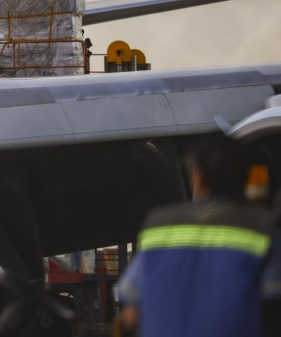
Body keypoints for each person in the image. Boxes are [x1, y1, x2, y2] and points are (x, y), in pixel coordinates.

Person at [116, 134, 278, 336]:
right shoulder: (263, 227)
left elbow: (130, 306)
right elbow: (273, 301)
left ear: (199, 178)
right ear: (249, 178)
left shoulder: (159, 224)